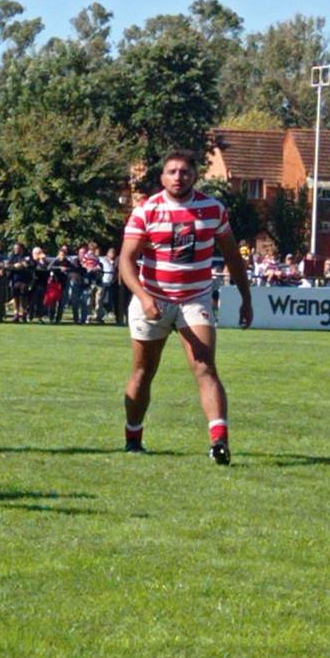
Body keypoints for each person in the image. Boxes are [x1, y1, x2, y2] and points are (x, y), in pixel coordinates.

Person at [119, 151, 251, 464]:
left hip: (195, 299)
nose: (179, 177)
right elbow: (126, 260)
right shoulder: (146, 210)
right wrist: (144, 297)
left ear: (195, 175)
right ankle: (133, 437)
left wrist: (246, 297)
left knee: (205, 367)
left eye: (185, 171)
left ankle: (219, 441)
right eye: (172, 172)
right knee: (143, 371)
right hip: (153, 297)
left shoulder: (212, 209)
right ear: (162, 177)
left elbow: (233, 256)